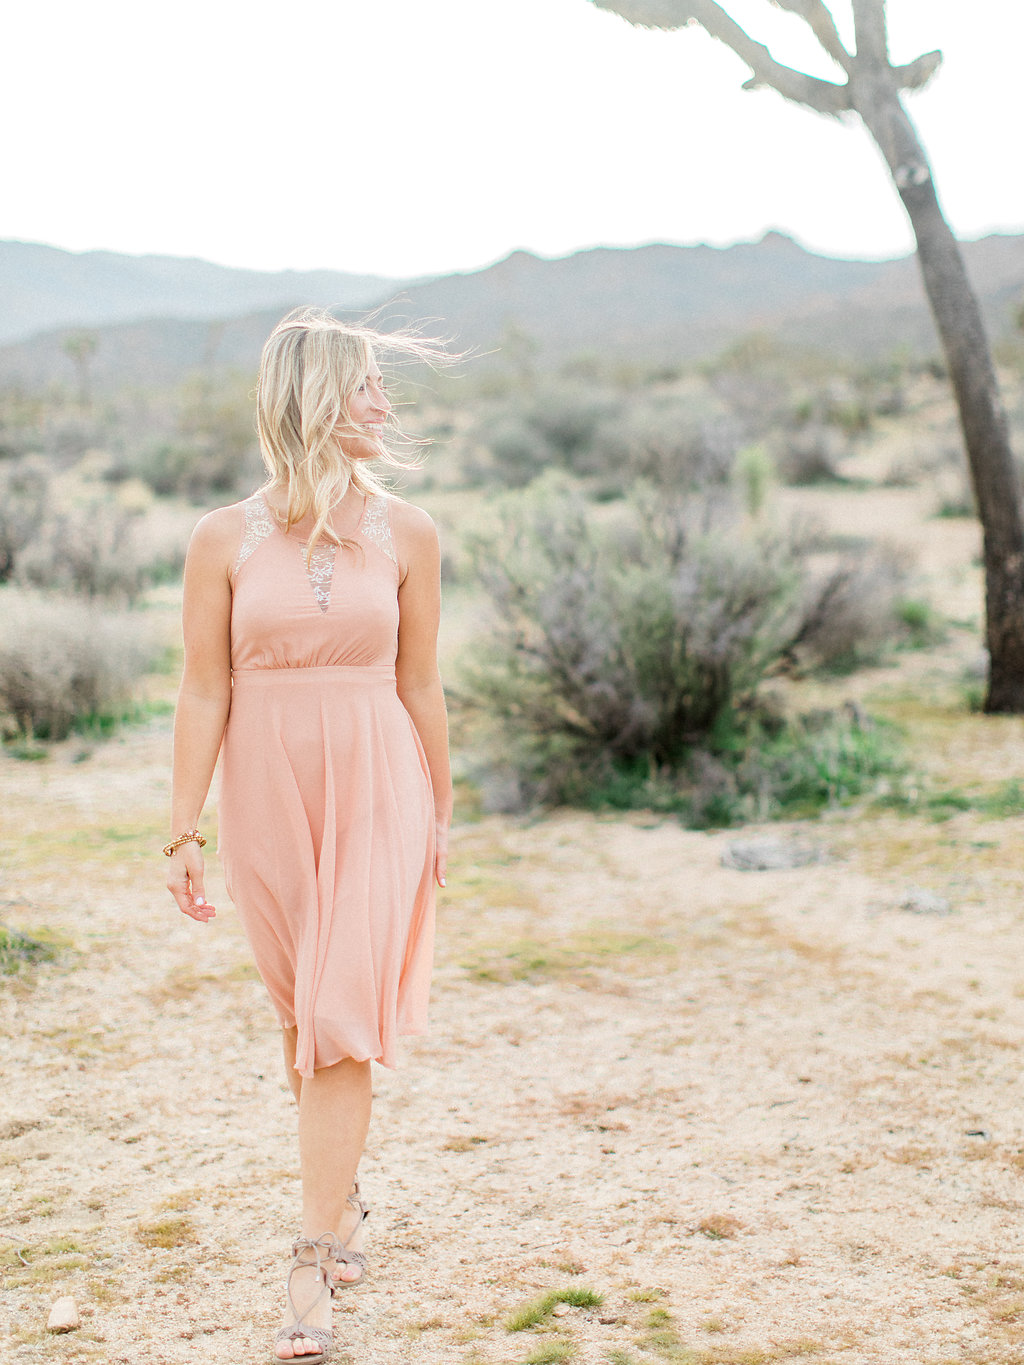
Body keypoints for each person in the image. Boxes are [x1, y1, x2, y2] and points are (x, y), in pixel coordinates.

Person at [164, 308, 452, 1362]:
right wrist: (180, 829)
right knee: (302, 1020)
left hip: (380, 781)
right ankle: (346, 1196)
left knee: (337, 1017)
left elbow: (420, 682)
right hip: (266, 792)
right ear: (313, 400)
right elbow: (204, 689)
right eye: (365, 384)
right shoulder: (220, 538)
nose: (383, 403)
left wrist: (441, 814)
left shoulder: (409, 532)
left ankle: (309, 1263)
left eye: (383, 383)